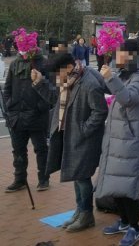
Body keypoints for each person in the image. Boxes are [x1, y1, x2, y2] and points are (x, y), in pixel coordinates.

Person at [33, 53, 108, 232]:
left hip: (84, 138)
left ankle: (86, 214)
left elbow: (100, 111)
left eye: (58, 73)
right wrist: (39, 83)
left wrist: (84, 130)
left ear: (68, 68)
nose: (57, 78)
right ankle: (80, 211)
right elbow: (56, 101)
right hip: (70, 136)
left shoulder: (89, 83)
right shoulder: (72, 79)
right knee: (77, 175)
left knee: (82, 177)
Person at [94, 39, 139, 246]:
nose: (117, 58)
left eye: (121, 54)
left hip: (131, 140)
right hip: (117, 139)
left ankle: (135, 228)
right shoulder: (123, 74)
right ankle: (125, 221)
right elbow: (111, 88)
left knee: (128, 187)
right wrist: (106, 73)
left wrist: (111, 78)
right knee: (115, 185)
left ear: (132, 57)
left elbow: (128, 98)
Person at [3, 46, 51, 192]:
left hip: (37, 115)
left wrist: (40, 106)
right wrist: (9, 105)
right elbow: (7, 88)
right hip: (17, 116)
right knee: (18, 150)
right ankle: (20, 179)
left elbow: (51, 89)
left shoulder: (43, 63)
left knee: (41, 149)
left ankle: (43, 179)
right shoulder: (14, 64)